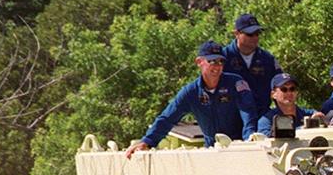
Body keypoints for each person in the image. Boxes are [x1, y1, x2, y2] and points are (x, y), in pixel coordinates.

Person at [125, 41, 257, 158]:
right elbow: (167, 118)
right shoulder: (191, 92)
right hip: (211, 151)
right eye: (212, 61)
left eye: (220, 61)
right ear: (199, 62)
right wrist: (147, 141)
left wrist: (249, 140)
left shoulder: (236, 83)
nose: (217, 66)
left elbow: (248, 112)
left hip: (239, 147)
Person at [223, 12, 282, 112]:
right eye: (250, 34)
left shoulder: (268, 60)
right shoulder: (223, 58)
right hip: (230, 117)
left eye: (257, 33)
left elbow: (281, 88)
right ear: (237, 34)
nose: (255, 37)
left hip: (261, 116)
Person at [257, 73, 321, 136]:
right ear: (273, 94)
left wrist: (321, 119)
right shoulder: (266, 121)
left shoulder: (309, 115)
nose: (289, 93)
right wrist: (301, 130)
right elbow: (264, 140)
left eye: (292, 89)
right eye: (284, 89)